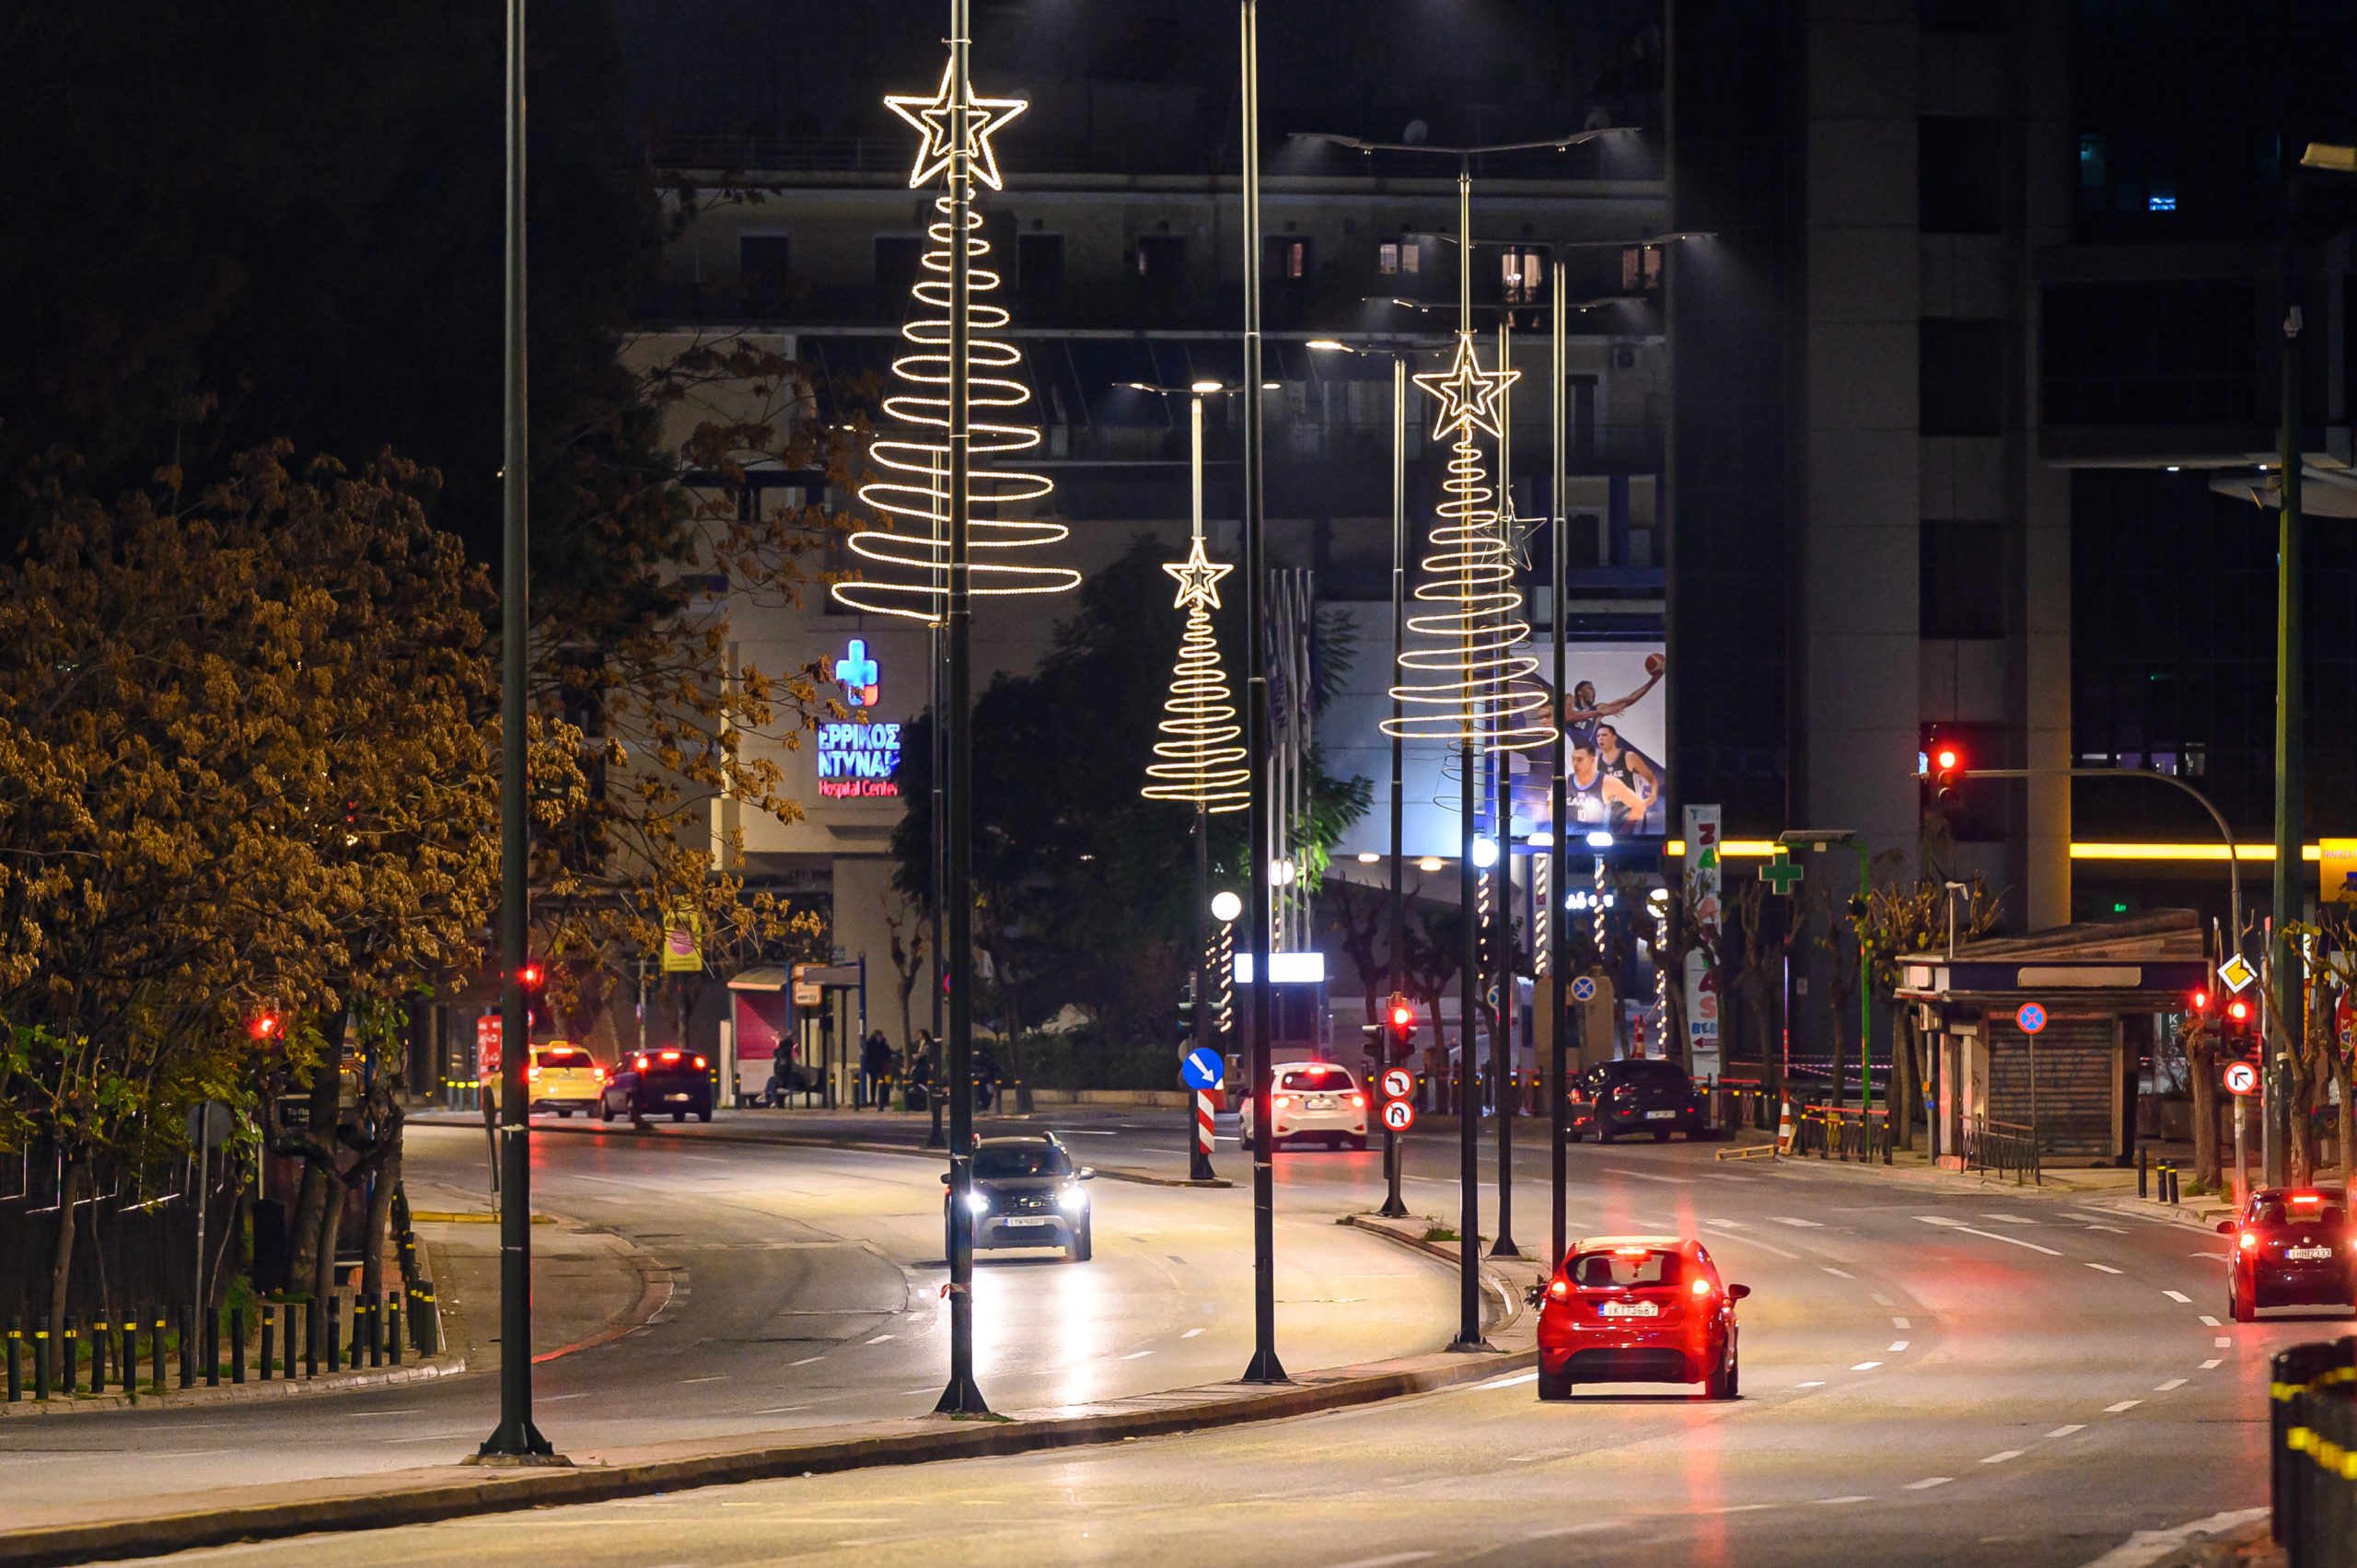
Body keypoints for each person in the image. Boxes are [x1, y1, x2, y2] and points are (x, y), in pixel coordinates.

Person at [1594, 723, 1663, 834]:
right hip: (1611, 813)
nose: (1600, 738)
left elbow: (1652, 779)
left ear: (1614, 738)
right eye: (1598, 736)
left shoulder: (1629, 757)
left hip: (1632, 812)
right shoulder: (1597, 761)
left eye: (1604, 735)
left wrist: (1653, 795)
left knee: (1630, 845)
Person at [860, 1029, 892, 1109]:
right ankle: (873, 1100)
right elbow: (867, 1055)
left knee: (883, 1084)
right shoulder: (870, 1044)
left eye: (880, 1036)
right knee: (873, 1083)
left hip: (881, 1066)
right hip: (873, 1066)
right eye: (878, 1036)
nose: (880, 1038)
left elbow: (888, 1053)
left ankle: (883, 1100)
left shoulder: (883, 1044)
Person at [972, 1040, 1001, 1112]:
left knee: (987, 1093)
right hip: (984, 1081)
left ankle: (984, 1106)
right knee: (981, 1092)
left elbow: (995, 1070)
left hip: (988, 1080)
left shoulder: (989, 1062)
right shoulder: (983, 1062)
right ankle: (981, 1106)